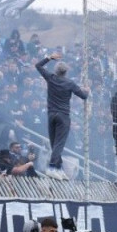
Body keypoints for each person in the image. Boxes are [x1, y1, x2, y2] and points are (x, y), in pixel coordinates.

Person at [35, 52, 88, 180]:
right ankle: (52, 167)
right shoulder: (70, 83)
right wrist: (86, 90)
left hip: (51, 114)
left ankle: (58, 168)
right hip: (63, 116)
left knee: (54, 143)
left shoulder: (51, 77)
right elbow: (84, 96)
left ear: (56, 70)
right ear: (66, 72)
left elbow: (38, 66)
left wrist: (49, 58)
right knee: (59, 143)